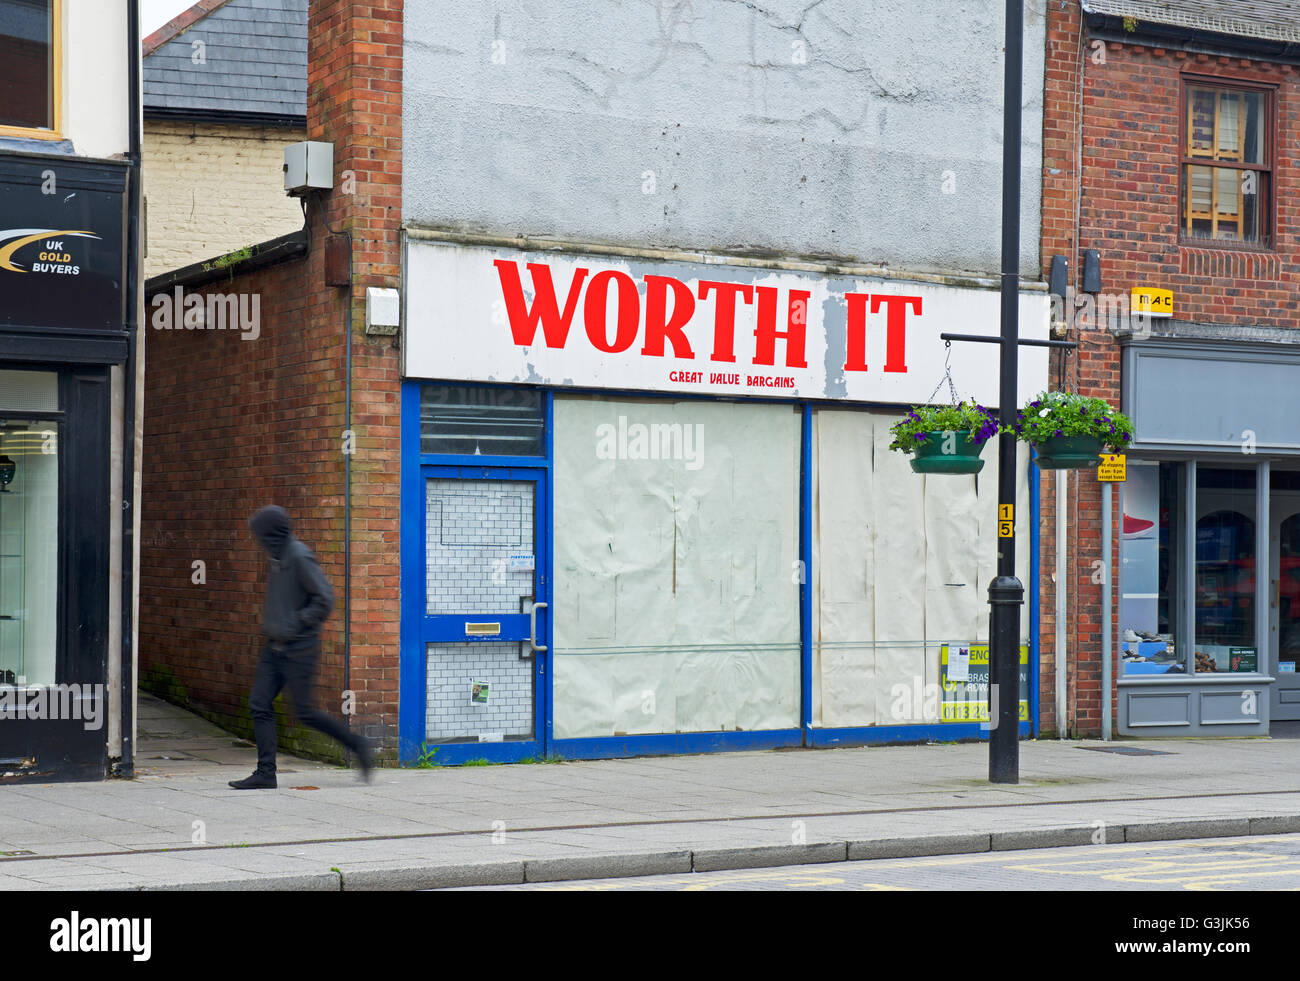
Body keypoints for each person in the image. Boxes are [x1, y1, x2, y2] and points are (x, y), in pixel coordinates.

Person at [229, 505, 371, 789]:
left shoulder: (299, 555)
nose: (257, 541)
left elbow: (325, 598)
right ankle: (266, 773)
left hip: (300, 648)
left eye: (260, 535)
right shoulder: (277, 556)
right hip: (275, 647)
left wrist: (295, 623)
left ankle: (358, 745)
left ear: (271, 534)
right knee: (259, 703)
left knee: (305, 712)